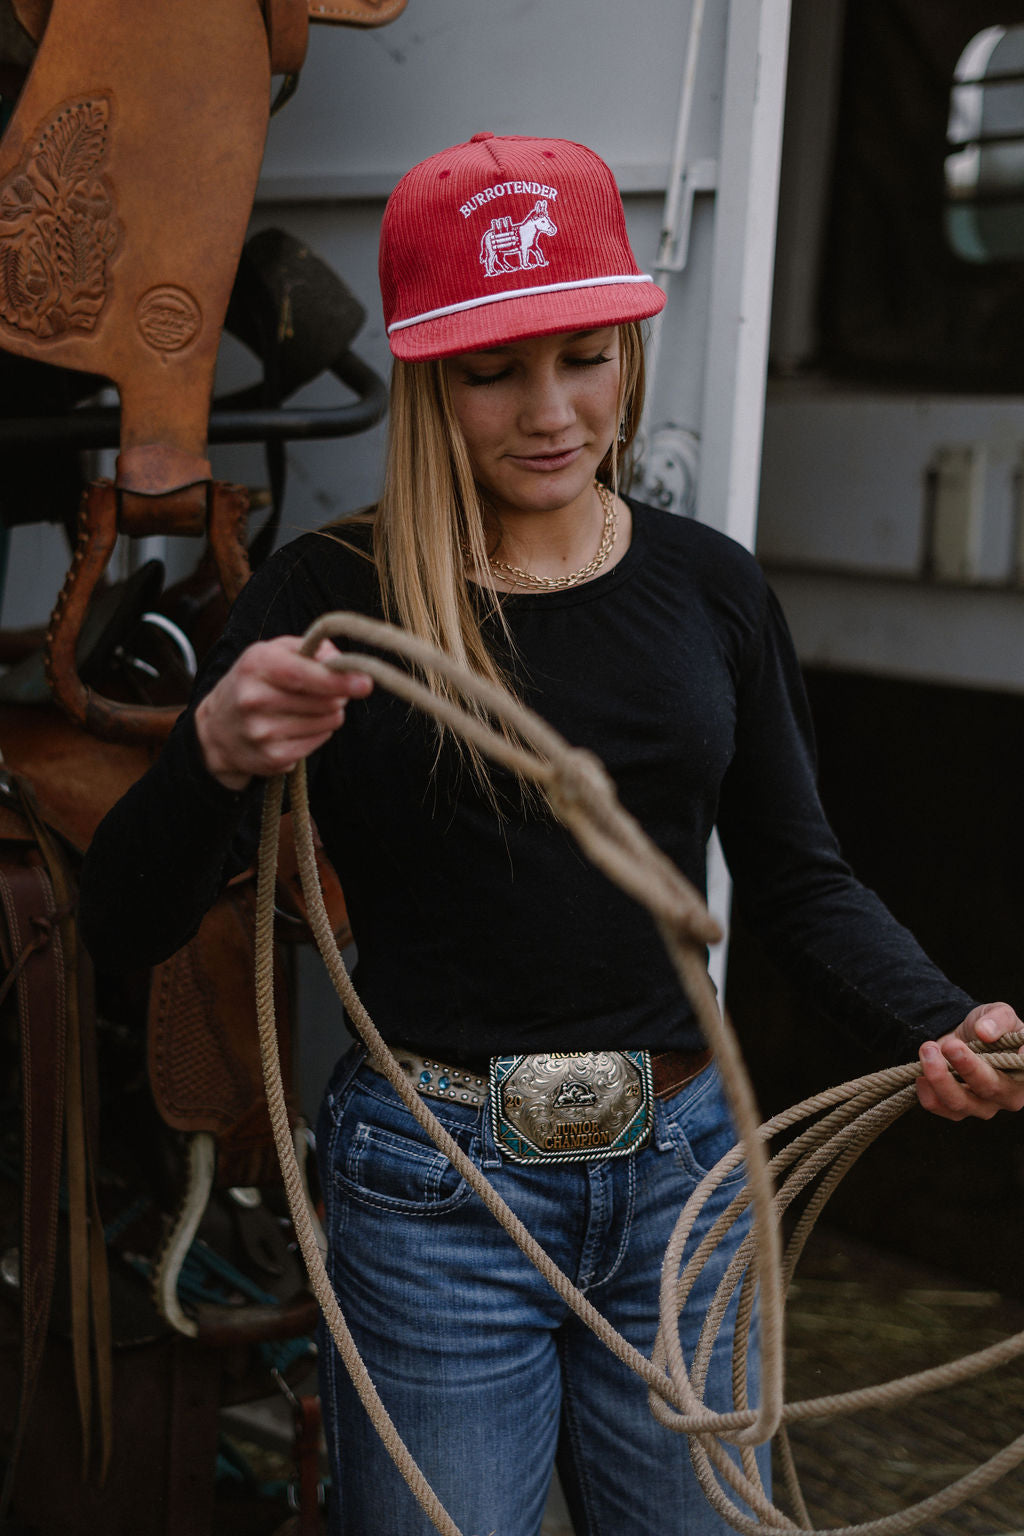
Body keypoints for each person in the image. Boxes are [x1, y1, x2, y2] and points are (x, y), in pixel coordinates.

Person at [79, 132, 1024, 1536]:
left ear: (626, 352)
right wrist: (214, 753)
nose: (551, 410)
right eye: (493, 371)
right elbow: (124, 922)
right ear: (425, 377)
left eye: (585, 355)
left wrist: (933, 1019)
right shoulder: (331, 596)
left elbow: (796, 877)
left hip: (683, 1182)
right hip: (434, 1188)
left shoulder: (711, 592)